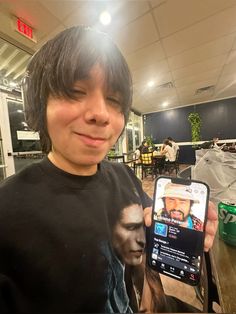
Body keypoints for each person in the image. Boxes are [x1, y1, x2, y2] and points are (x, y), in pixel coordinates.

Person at [0, 26, 217, 313]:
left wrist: (178, 231)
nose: (101, 114)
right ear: (39, 105)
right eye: (75, 92)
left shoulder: (124, 175)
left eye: (114, 101)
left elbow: (146, 242)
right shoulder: (8, 211)